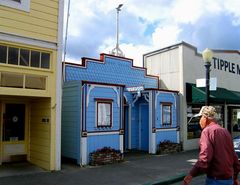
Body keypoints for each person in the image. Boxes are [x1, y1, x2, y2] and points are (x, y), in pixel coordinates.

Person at [183, 106, 240, 185]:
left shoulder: (207, 131)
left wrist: (191, 174)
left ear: (205, 118)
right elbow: (234, 157)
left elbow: (205, 158)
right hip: (228, 179)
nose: (200, 121)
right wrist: (235, 177)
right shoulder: (225, 131)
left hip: (215, 179)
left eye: (201, 117)